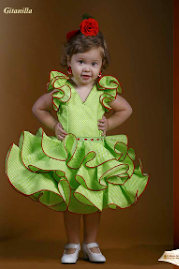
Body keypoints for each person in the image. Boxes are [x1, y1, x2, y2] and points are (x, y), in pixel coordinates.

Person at [5, 14, 149, 264]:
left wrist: (110, 123)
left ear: (101, 66)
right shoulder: (63, 89)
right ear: (68, 62)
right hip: (69, 154)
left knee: (92, 202)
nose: (87, 68)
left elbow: (126, 109)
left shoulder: (103, 91)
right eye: (81, 61)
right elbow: (39, 107)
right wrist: (55, 125)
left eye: (94, 63)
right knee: (71, 201)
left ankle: (91, 243)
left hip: (94, 154)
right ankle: (72, 243)